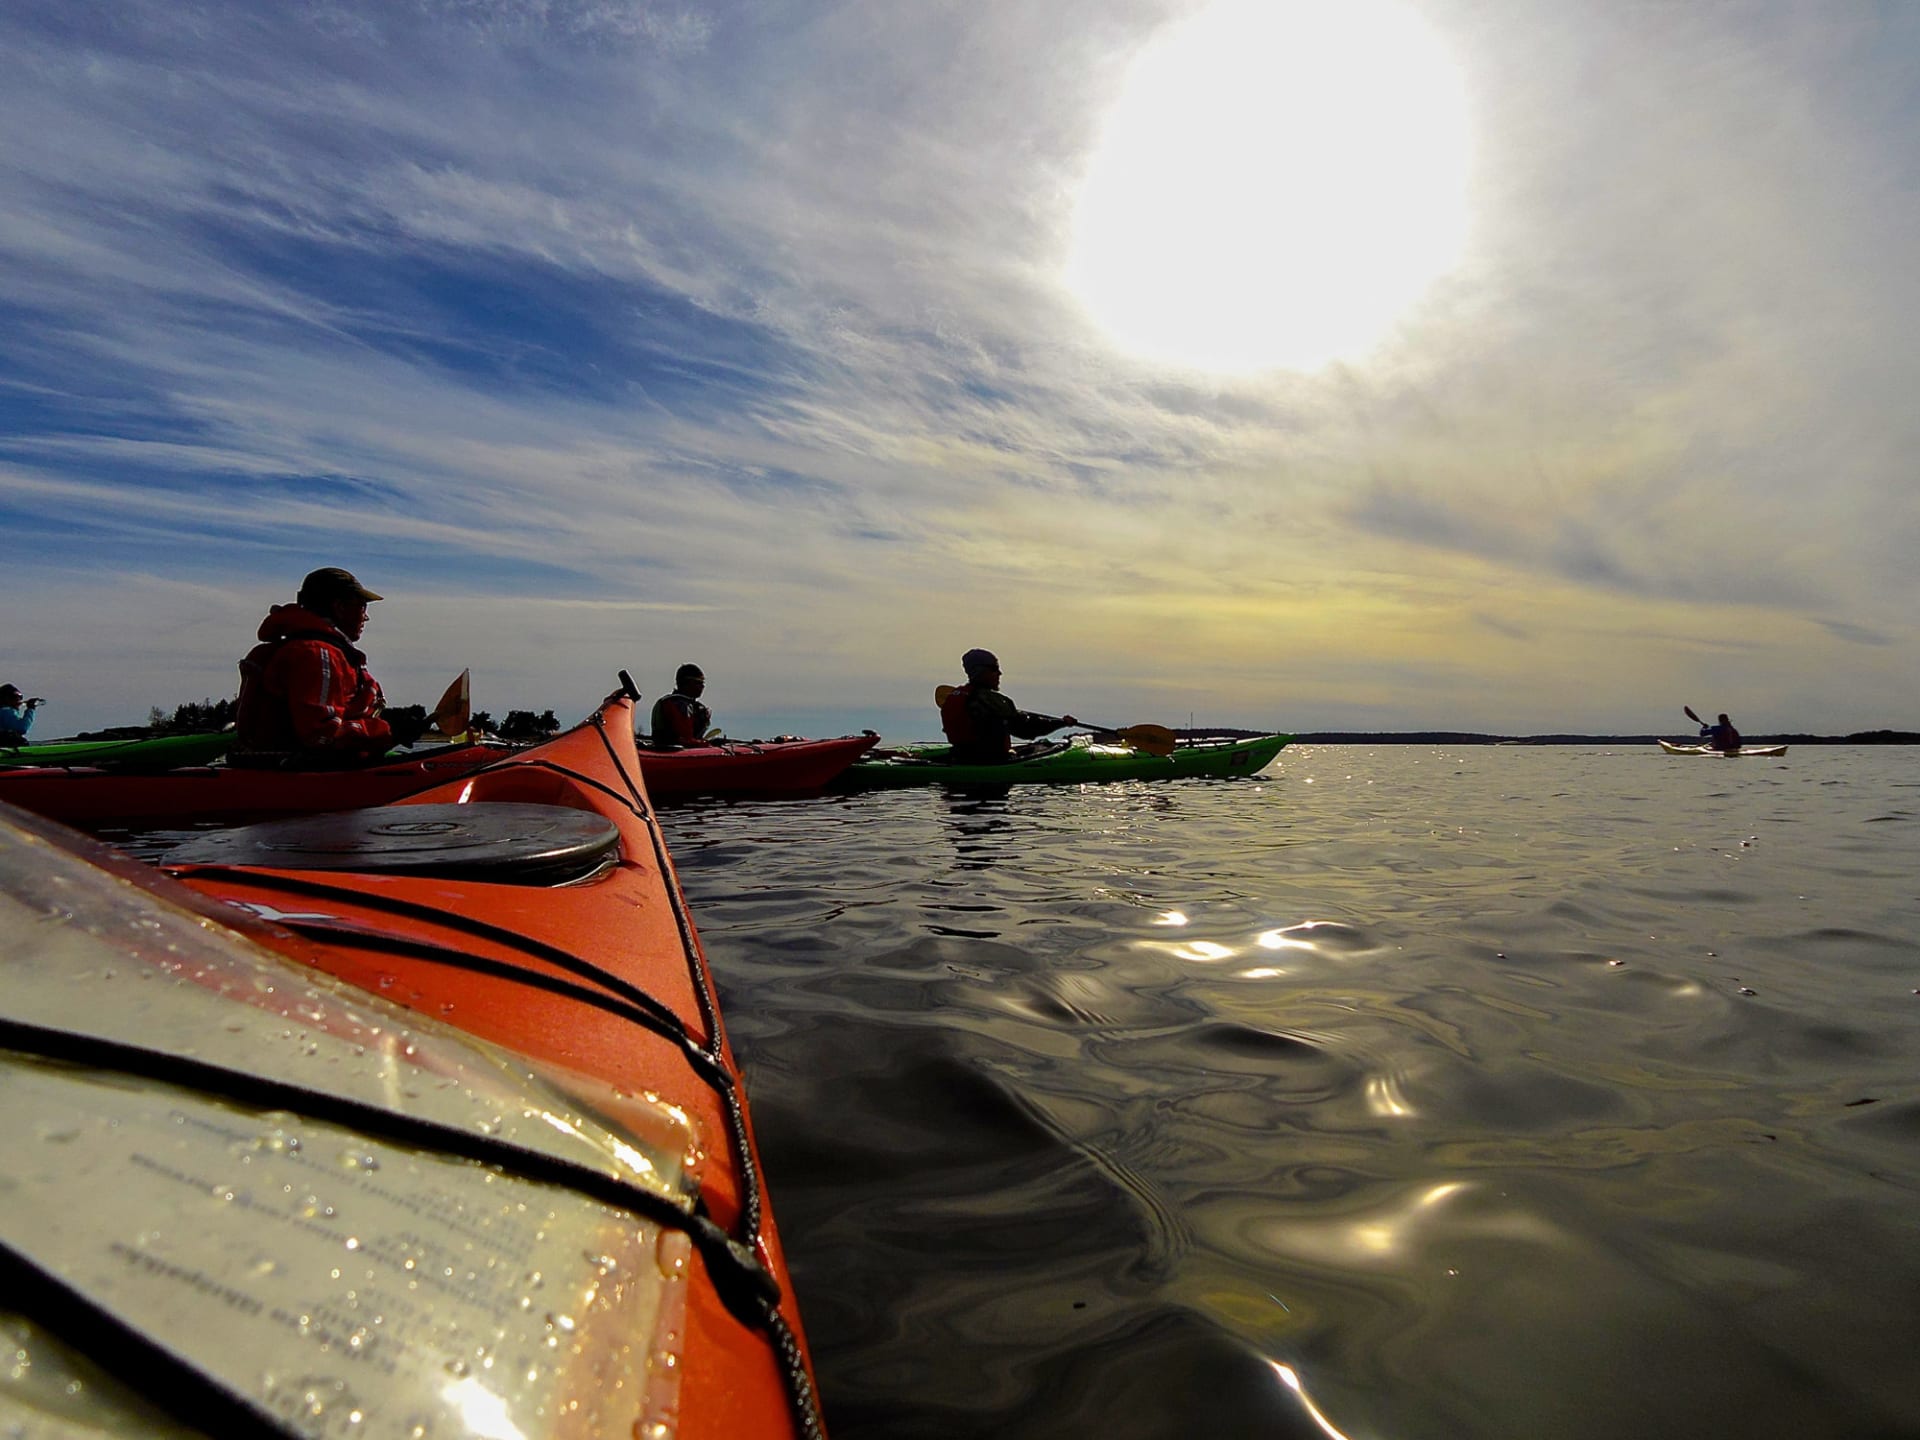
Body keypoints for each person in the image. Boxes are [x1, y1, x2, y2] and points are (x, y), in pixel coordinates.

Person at [231, 567, 425, 767]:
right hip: (305, 776)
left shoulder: (309, 649)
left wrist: (392, 720)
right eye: (362, 607)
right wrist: (388, 729)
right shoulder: (316, 653)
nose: (365, 617)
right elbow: (323, 736)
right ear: (340, 607)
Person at [939, 649, 1078, 764]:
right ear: (979, 671)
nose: (999, 673)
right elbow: (1026, 729)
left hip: (960, 757)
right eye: (994, 669)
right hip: (991, 763)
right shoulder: (993, 701)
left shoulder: (955, 696)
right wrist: (1061, 723)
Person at [650, 664, 713, 749]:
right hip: (671, 751)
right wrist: (707, 744)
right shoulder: (679, 705)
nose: (702, 686)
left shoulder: (668, 701)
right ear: (686, 683)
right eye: (699, 682)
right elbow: (686, 740)